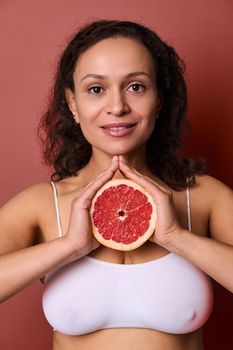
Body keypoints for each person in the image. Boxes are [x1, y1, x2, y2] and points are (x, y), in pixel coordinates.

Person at [0, 19, 232, 350]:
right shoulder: (40, 205)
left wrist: (177, 238)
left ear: (160, 100)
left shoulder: (203, 197)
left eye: (136, 86)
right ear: (73, 104)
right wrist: (70, 246)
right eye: (96, 89)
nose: (117, 106)